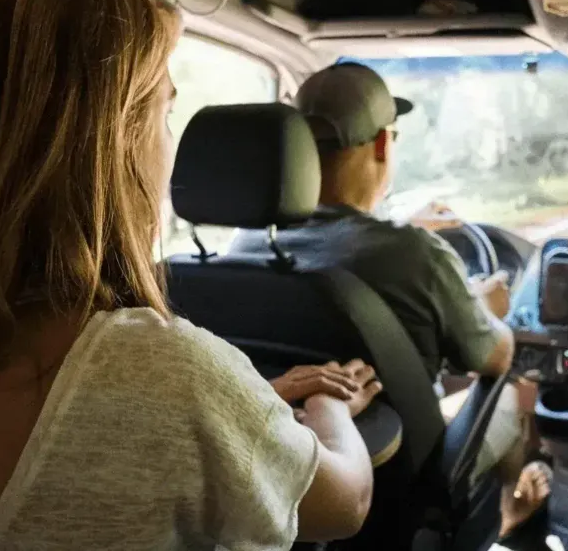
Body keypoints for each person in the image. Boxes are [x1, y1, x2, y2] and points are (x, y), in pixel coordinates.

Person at [0, 0, 379, 549]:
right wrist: (331, 403)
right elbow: (346, 502)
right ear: (116, 139)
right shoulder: (165, 368)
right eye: (165, 111)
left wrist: (252, 406)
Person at [227, 63, 549, 538]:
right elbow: (496, 357)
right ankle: (503, 516)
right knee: (518, 391)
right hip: (405, 476)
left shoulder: (244, 245)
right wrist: (485, 307)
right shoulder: (416, 254)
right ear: (382, 144)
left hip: (291, 465)